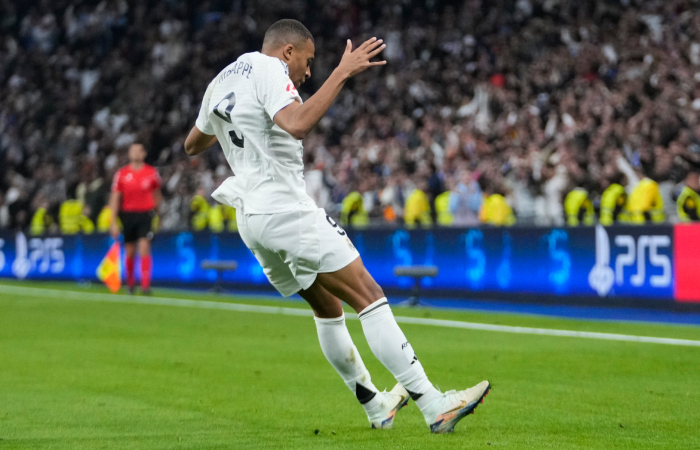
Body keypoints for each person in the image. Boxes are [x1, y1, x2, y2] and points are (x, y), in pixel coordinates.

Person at [183, 19, 489, 434]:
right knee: (368, 294)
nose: (308, 73)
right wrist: (341, 72)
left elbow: (192, 144)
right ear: (288, 51)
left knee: (326, 307)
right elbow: (296, 123)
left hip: (250, 218)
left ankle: (375, 406)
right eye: (307, 61)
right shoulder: (270, 69)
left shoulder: (221, 80)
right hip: (285, 208)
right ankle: (434, 404)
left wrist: (235, 129)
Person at [109, 143, 162, 295]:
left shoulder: (151, 173)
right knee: (130, 250)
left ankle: (145, 285)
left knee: (144, 246)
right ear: (129, 154)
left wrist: (159, 215)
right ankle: (130, 284)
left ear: (144, 154)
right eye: (133, 150)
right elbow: (115, 198)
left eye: (139, 150)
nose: (136, 153)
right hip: (128, 215)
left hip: (146, 214)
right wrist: (113, 221)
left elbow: (157, 195)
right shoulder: (122, 174)